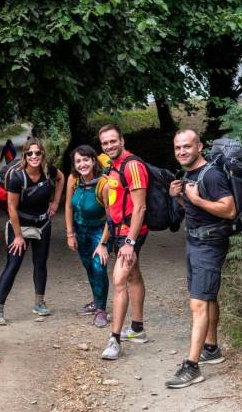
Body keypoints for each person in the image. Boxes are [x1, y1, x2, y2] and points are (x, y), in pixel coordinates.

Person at [166, 129, 235, 388]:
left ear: (199, 147)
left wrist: (194, 197)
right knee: (208, 297)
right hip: (196, 241)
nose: (182, 151)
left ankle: (192, 367)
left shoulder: (212, 174)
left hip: (209, 244)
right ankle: (211, 348)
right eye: (178, 148)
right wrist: (182, 198)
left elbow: (228, 209)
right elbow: (197, 208)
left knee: (198, 304)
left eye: (187, 146)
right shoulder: (189, 174)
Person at [0, 138, 65, 325]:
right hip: (21, 226)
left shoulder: (49, 171)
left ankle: (39, 303)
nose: (34, 156)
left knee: (40, 263)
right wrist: (18, 236)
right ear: (24, 155)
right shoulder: (17, 176)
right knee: (13, 265)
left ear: (43, 155)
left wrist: (56, 201)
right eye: (29, 153)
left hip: (43, 224)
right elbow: (11, 208)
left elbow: (61, 178)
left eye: (37, 153)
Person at [98, 124, 150, 360]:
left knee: (119, 278)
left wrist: (129, 241)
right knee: (133, 275)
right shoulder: (112, 167)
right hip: (120, 231)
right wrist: (104, 241)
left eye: (112, 141)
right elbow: (112, 208)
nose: (109, 146)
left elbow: (140, 207)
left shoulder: (133, 166)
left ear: (122, 140)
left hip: (132, 232)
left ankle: (114, 339)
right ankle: (137, 329)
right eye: (105, 143)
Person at [64, 145, 110, 328]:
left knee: (99, 267)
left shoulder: (104, 184)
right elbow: (68, 206)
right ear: (74, 165)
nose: (82, 164)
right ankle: (96, 300)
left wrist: (103, 243)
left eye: (85, 159)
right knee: (89, 267)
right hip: (80, 230)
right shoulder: (73, 180)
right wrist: (70, 233)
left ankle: (101, 310)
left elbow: (111, 216)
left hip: (100, 230)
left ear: (93, 160)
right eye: (78, 161)